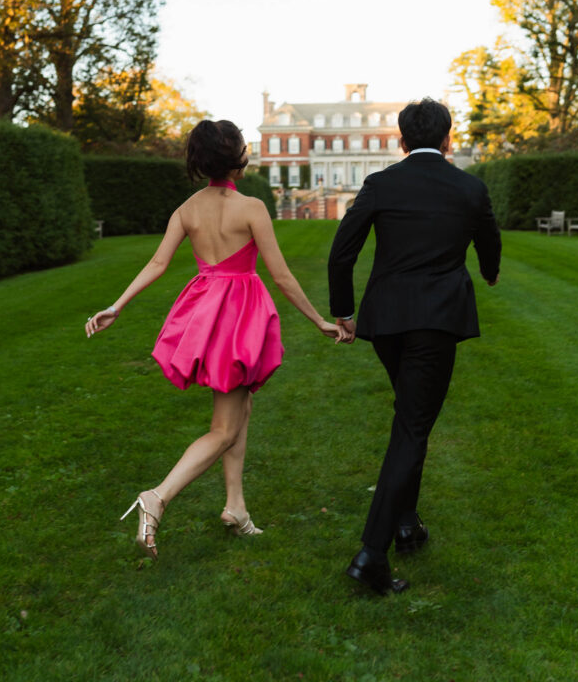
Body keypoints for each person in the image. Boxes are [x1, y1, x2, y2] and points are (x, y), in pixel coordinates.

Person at [86, 119, 345, 559]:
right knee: (224, 428)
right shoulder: (252, 208)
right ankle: (158, 497)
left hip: (207, 314)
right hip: (239, 317)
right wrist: (319, 319)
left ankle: (235, 507)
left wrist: (118, 304)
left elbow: (156, 263)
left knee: (241, 405)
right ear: (238, 160)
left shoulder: (187, 209)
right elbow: (280, 276)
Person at [328, 98, 501, 595]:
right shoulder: (469, 188)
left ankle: (407, 525)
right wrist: (488, 272)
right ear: (448, 139)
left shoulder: (381, 184)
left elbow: (343, 251)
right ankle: (371, 555)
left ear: (400, 141)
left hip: (386, 322)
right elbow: (489, 240)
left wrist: (344, 310)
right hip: (437, 321)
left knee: (411, 415)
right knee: (413, 426)